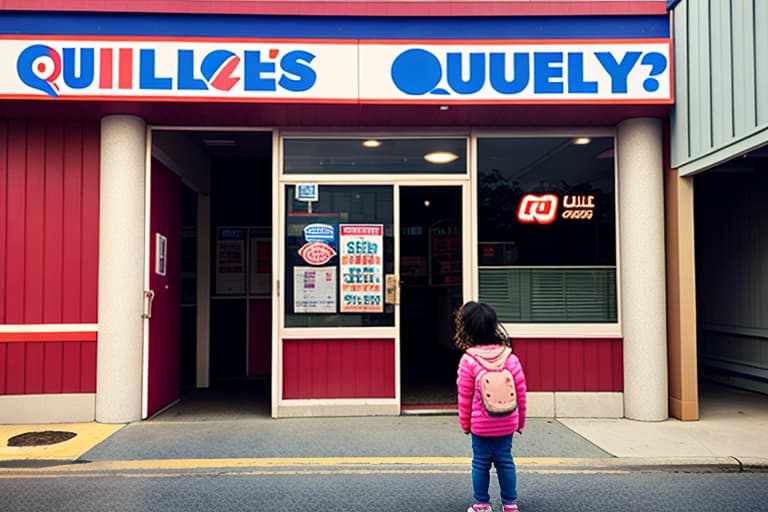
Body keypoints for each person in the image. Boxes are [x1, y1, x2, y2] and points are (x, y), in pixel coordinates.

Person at [455, 301, 527, 512]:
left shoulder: (469, 360)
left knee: (480, 463)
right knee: (505, 461)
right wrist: (520, 422)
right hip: (507, 421)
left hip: (481, 425)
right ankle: (510, 504)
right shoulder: (510, 358)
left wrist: (465, 424)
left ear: (466, 329)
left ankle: (482, 504)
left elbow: (464, 397)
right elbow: (520, 393)